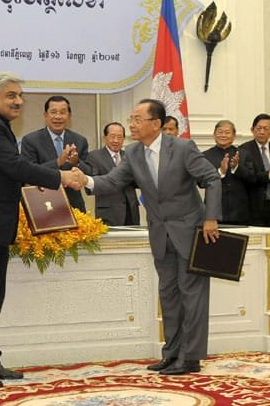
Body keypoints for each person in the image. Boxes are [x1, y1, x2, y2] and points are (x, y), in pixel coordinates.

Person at [0, 72, 83, 388]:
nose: (18, 100)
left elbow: (12, 168)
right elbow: (16, 168)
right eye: (10, 95)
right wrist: (61, 177)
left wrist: (54, 171)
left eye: (20, 95)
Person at [83, 99, 221, 376]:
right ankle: (171, 354)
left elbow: (212, 179)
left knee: (191, 295)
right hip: (160, 235)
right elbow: (111, 182)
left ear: (155, 124)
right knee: (168, 295)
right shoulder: (133, 154)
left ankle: (190, 357)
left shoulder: (182, 148)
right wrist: (82, 180)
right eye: (131, 119)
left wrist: (210, 217)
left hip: (190, 232)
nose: (131, 124)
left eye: (137, 119)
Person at [239, 114, 270, 302]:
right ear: (252, 130)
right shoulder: (244, 150)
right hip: (253, 207)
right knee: (255, 250)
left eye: (266, 128)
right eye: (258, 128)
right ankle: (255, 289)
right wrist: (269, 174)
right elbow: (249, 177)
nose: (262, 131)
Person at [20, 96, 92, 212]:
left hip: (73, 205)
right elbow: (28, 174)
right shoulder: (30, 140)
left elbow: (89, 173)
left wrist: (76, 163)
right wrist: (58, 162)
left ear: (69, 116)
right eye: (53, 112)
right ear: (45, 115)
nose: (58, 116)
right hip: (42, 204)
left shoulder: (80, 140)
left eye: (63, 112)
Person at [85, 122, 139, 226]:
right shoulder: (94, 156)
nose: (116, 140)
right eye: (112, 136)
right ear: (104, 138)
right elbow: (93, 184)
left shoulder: (129, 156)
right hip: (108, 212)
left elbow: (137, 182)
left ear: (124, 139)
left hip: (131, 210)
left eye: (120, 137)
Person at [202, 120, 252, 225]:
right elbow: (201, 183)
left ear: (234, 136)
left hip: (240, 212)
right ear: (214, 135)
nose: (223, 135)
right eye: (220, 132)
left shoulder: (244, 154)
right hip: (214, 213)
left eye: (227, 132)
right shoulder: (205, 156)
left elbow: (252, 178)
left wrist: (236, 168)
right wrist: (220, 172)